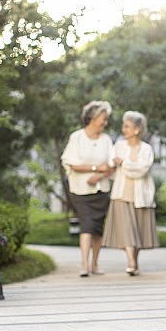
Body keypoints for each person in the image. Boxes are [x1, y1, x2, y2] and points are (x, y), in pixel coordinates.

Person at [61, 101, 115, 277]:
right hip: (81, 191)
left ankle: (95, 265)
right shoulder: (77, 137)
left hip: (101, 190)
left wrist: (99, 175)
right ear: (92, 117)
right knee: (87, 225)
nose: (105, 123)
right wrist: (95, 168)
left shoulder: (106, 140)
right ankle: (84, 266)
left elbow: (112, 165)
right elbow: (72, 163)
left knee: (98, 227)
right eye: (103, 118)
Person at [102, 111, 159, 275]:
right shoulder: (118, 146)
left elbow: (142, 169)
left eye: (126, 126)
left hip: (141, 196)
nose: (123, 129)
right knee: (127, 229)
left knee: (138, 231)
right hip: (121, 194)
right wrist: (117, 165)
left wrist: (123, 163)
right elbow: (111, 164)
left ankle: (135, 263)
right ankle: (132, 263)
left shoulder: (147, 149)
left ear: (136, 129)